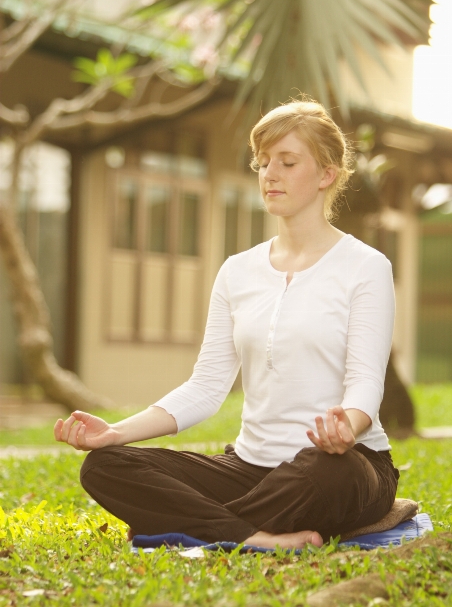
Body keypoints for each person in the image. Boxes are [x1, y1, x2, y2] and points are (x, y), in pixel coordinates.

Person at [54, 99, 399, 550]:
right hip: (251, 469)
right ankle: (257, 536)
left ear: (326, 174)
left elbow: (366, 384)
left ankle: (193, 525)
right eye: (262, 162)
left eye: (287, 162)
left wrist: (346, 428)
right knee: (104, 466)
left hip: (344, 463)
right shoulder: (238, 271)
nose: (269, 174)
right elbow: (206, 388)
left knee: (329, 472)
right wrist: (115, 433)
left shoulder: (365, 267)